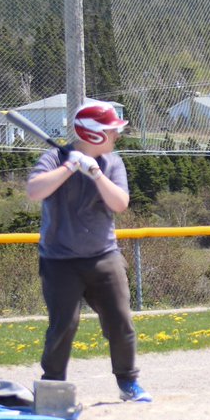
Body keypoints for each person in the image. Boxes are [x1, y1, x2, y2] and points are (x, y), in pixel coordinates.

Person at [26, 102, 151, 402]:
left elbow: (120, 203)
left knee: (120, 322)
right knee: (63, 326)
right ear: (93, 134)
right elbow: (34, 191)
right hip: (59, 260)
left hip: (103, 256)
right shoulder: (55, 158)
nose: (116, 136)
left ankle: (128, 384)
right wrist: (70, 167)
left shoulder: (112, 163)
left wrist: (95, 173)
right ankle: (53, 386)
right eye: (111, 131)